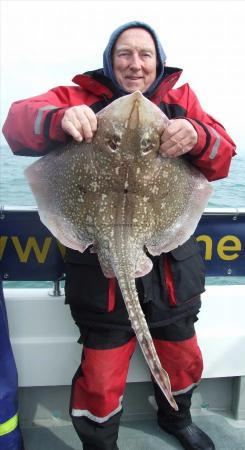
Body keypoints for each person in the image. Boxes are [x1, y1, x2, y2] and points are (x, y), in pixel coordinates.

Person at [3, 21, 236, 450]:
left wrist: (198, 136)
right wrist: (59, 119)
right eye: (124, 54)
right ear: (110, 60)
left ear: (158, 61)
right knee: (102, 371)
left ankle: (177, 417)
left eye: (144, 54)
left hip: (170, 269)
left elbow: (223, 156)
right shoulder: (79, 97)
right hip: (99, 265)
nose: (134, 63)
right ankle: (99, 440)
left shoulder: (181, 102)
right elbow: (16, 125)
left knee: (182, 355)